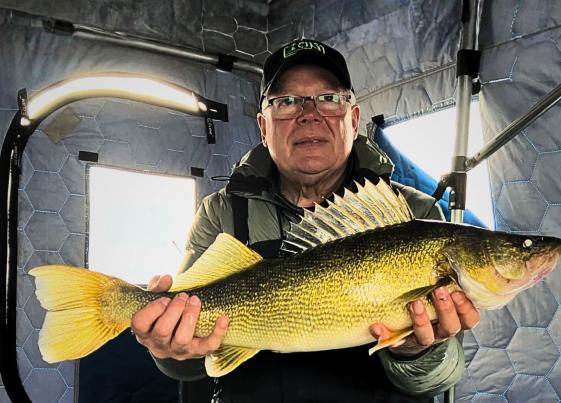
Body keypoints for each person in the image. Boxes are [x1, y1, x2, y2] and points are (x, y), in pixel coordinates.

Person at [131, 39, 480, 402]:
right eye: (287, 102)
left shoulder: (413, 215)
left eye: (329, 98)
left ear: (355, 119)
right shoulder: (221, 212)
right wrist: (169, 348)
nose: (309, 113)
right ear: (264, 128)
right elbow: (186, 363)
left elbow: (440, 377)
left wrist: (415, 351)